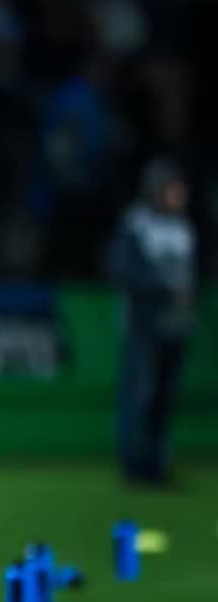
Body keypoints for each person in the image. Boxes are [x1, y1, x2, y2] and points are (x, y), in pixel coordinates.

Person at [109, 159, 196, 488]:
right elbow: (123, 271)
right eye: (172, 189)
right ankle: (135, 465)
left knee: (164, 398)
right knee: (139, 395)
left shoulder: (183, 228)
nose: (179, 195)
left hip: (175, 326)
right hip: (144, 325)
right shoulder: (137, 224)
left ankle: (157, 465)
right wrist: (162, 288)